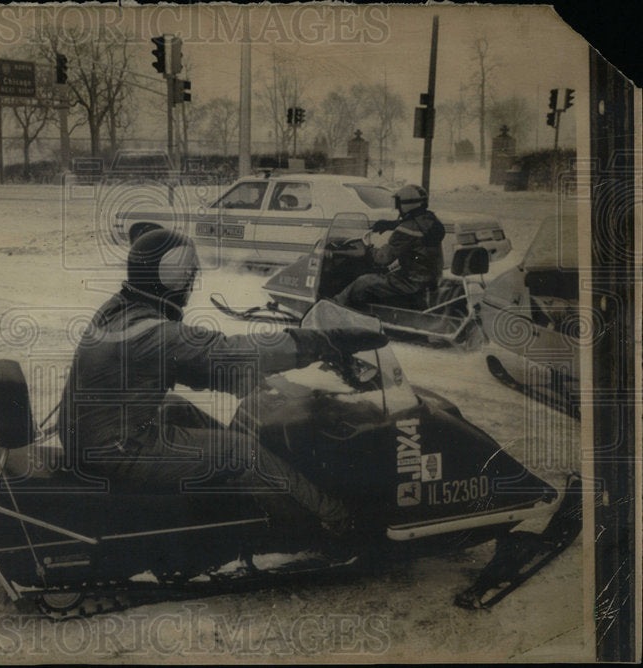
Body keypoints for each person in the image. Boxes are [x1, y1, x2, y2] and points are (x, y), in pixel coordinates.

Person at [58, 228, 387, 547]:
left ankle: (235, 492)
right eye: (189, 277)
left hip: (93, 437)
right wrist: (329, 340)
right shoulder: (152, 331)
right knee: (242, 452)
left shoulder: (121, 310)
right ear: (174, 278)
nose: (190, 285)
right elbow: (234, 349)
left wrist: (246, 381)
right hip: (118, 450)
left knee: (176, 406)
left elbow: (184, 365)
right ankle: (337, 522)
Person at [333, 184, 445, 309]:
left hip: (412, 281)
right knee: (385, 274)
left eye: (399, 204)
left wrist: (368, 249)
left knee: (362, 282)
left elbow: (382, 259)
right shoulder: (431, 220)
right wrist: (391, 224)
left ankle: (335, 308)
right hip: (429, 276)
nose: (398, 208)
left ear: (406, 204)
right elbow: (415, 226)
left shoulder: (406, 230)